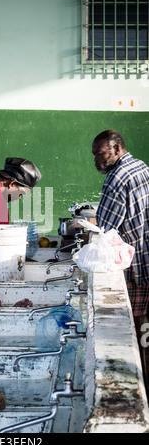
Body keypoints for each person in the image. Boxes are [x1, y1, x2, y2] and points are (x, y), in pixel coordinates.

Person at [92, 129, 149, 394]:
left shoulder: (117, 178)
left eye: (100, 154)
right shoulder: (141, 167)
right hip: (146, 257)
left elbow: (105, 226)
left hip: (135, 267)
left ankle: (138, 386)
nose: (96, 160)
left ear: (116, 149)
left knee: (135, 329)